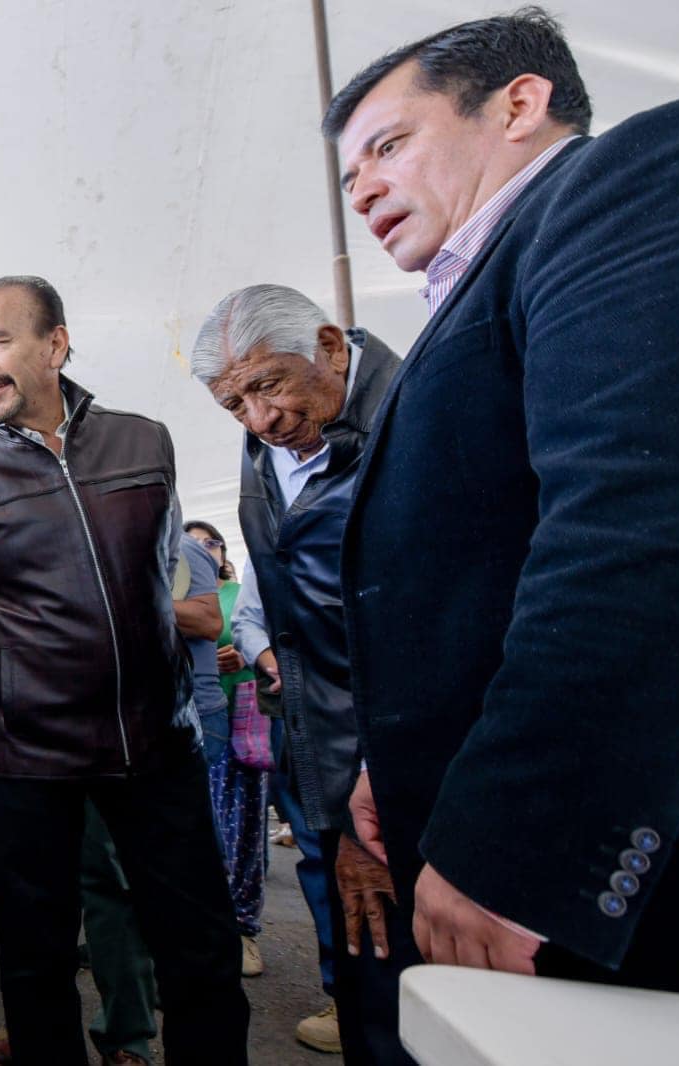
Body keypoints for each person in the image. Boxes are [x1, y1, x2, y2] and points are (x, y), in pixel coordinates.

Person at [325, 8, 679, 996]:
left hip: (621, 903)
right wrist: (398, 755)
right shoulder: (478, 289)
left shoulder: (630, 178)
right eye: (349, 176)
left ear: (518, 103)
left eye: (387, 144)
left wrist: (528, 842)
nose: (364, 185)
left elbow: (651, 522)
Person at [0, 275, 247, 1065]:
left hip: (158, 747)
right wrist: (34, 683)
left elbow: (162, 576)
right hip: (25, 764)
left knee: (201, 954)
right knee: (37, 966)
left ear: (55, 345)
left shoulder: (146, 443)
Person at [191, 284, 406, 1059]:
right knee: (362, 948)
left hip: (396, 756)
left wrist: (368, 788)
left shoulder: (411, 419)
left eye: (269, 385)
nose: (259, 419)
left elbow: (425, 630)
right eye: (234, 404)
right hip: (317, 736)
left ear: (331, 347)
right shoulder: (264, 454)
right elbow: (280, 604)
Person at [179, 524, 270, 980]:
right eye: (191, 540)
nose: (200, 547)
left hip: (244, 723)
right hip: (193, 722)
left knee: (244, 831)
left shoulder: (239, 594)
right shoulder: (174, 591)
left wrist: (245, 657)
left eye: (208, 541)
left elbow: (255, 637)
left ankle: (244, 929)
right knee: (205, 834)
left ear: (221, 550)